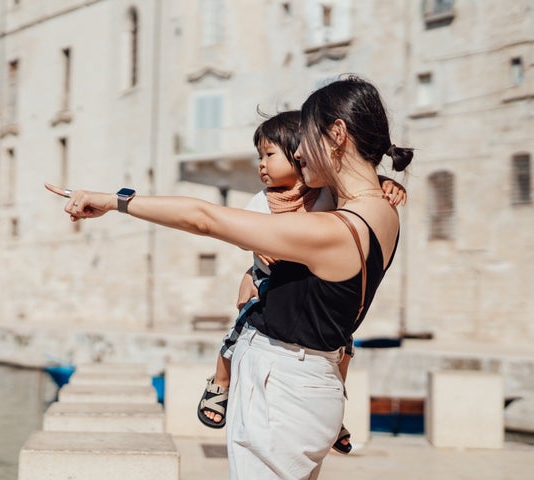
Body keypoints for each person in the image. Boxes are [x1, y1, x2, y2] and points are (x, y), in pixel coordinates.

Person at [45, 74, 413, 480]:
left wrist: (115, 201)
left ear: (337, 135)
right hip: (315, 384)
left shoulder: (332, 231)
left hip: (282, 389)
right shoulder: (383, 212)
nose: (300, 152)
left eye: (306, 139)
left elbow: (204, 219)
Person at [195, 110, 407, 459]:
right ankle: (220, 381)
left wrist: (386, 183)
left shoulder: (324, 194)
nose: (261, 164)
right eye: (259, 156)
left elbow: (359, 188)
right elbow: (242, 233)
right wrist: (256, 260)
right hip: (271, 283)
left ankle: (336, 405)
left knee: (344, 346)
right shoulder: (262, 201)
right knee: (238, 330)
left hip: (315, 297)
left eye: (270, 154)